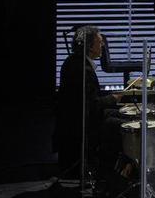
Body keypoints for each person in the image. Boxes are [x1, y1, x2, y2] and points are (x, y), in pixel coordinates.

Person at [53, 25, 124, 182]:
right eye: (100, 42)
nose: (103, 45)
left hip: (77, 118)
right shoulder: (83, 69)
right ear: (90, 46)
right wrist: (114, 98)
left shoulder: (73, 62)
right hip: (81, 124)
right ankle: (109, 174)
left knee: (121, 113)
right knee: (122, 124)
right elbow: (92, 105)